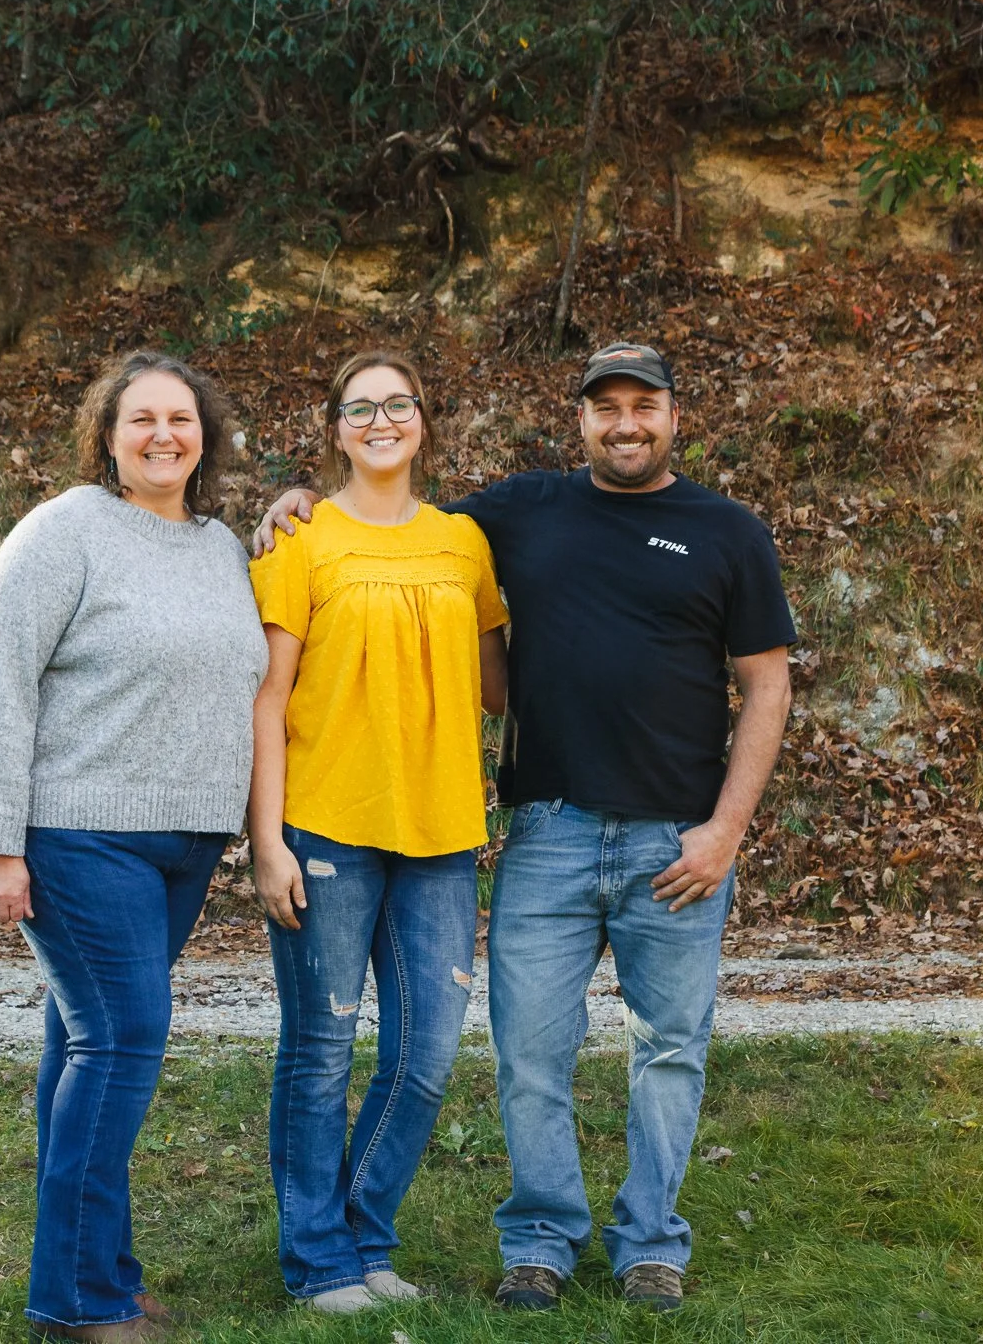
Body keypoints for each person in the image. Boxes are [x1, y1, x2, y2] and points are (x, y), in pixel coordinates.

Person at [253, 341, 794, 1314]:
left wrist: (724, 831)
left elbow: (767, 685)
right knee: (524, 1053)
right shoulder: (515, 513)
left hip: (672, 839)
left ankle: (648, 1248)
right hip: (542, 830)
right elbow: (380, 514)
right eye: (604, 407)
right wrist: (294, 495)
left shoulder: (727, 532)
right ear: (578, 418)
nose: (623, 423)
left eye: (643, 405)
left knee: (662, 1049)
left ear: (673, 415)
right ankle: (534, 1243)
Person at [0, 350, 268, 1342]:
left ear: (204, 437)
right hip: (80, 833)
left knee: (81, 1046)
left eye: (180, 419)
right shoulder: (64, 531)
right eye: (141, 420)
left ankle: (88, 1279)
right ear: (107, 435)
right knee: (122, 1039)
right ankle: (85, 1301)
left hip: (184, 845)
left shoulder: (221, 546)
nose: (163, 435)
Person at [247, 351, 510, 1314]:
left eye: (398, 403)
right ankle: (319, 1259)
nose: (382, 419)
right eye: (361, 408)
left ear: (425, 421)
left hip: (441, 830)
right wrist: (265, 840)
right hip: (325, 823)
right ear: (337, 429)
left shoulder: (463, 542)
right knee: (320, 1046)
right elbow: (268, 699)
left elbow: (498, 684)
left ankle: (364, 1233)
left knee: (424, 1053)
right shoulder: (301, 541)